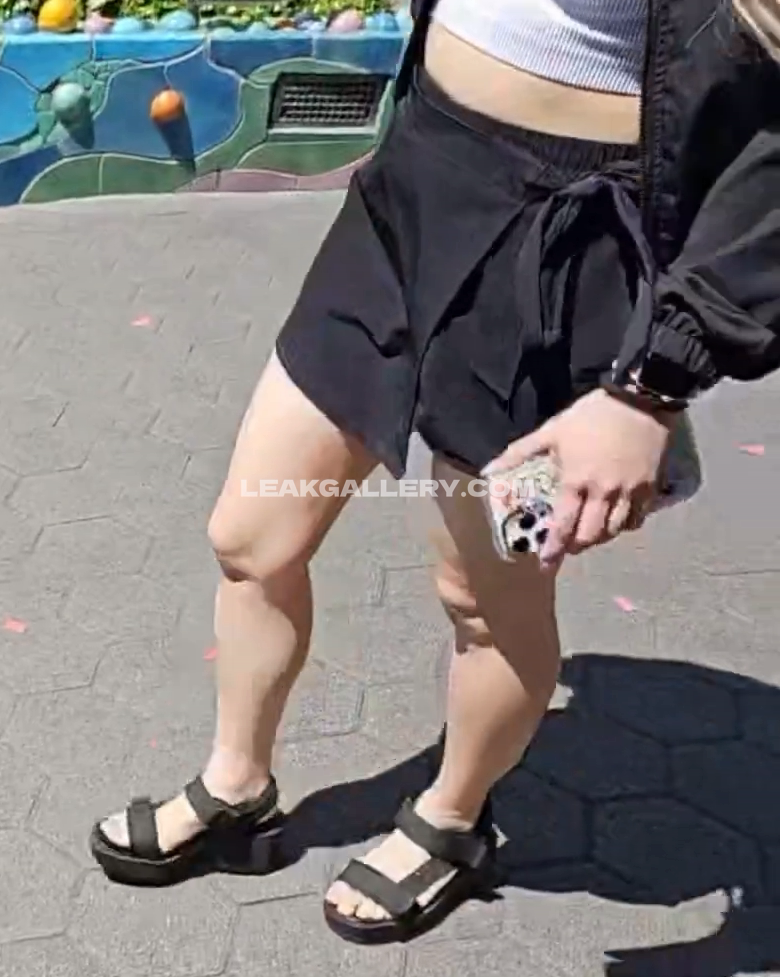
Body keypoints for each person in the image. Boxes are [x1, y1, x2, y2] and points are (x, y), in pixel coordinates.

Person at [90, 0, 780, 945]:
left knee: (486, 596)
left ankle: (453, 819)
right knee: (249, 538)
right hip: (412, 192)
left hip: (571, 260)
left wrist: (652, 387)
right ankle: (236, 786)